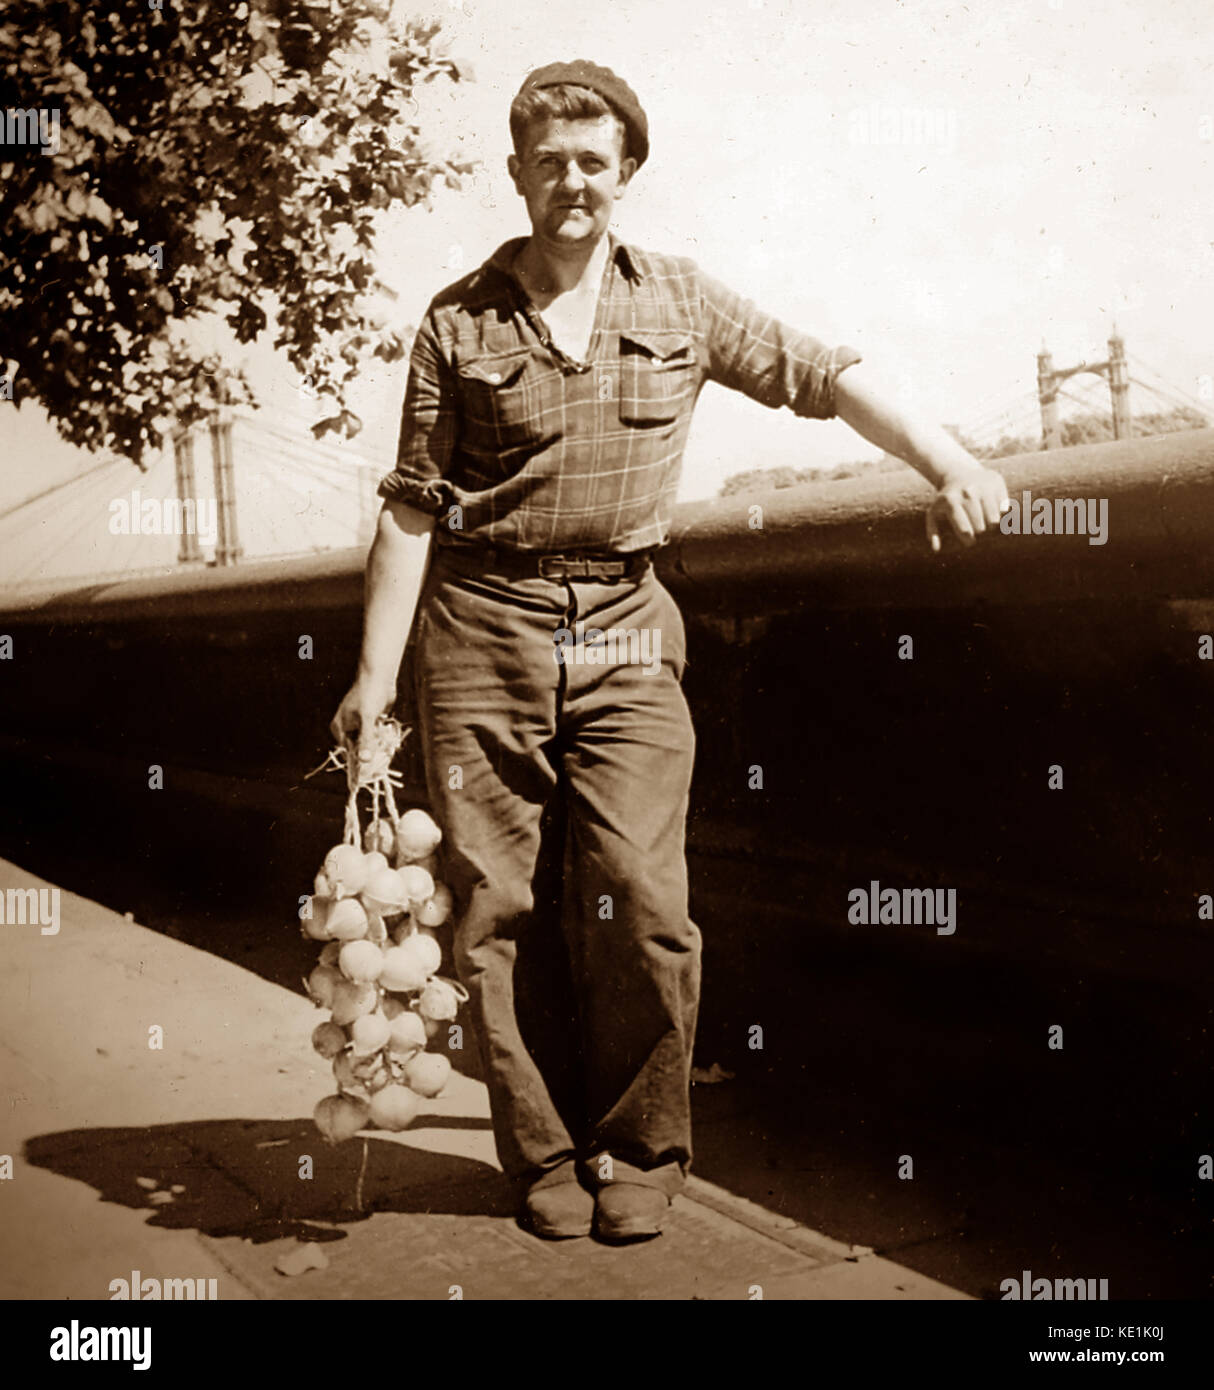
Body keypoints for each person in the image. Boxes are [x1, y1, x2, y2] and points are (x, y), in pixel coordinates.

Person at [332, 59, 1008, 1243]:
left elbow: (822, 374)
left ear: (626, 173)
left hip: (630, 627)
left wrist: (946, 462)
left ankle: (642, 1145)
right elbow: (410, 506)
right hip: (480, 626)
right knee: (495, 904)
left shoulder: (682, 302)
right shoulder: (455, 319)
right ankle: (540, 1150)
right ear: (516, 175)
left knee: (642, 893)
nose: (571, 181)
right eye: (548, 161)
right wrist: (371, 680)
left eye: (593, 160)